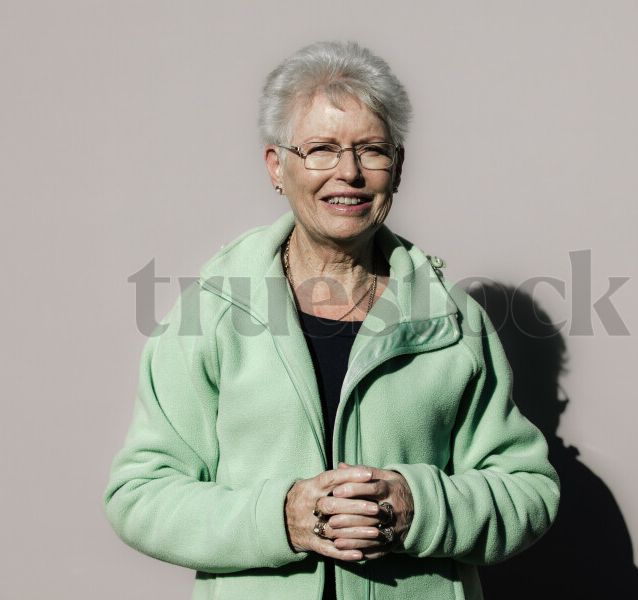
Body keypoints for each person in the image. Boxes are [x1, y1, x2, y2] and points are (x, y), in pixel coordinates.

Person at [103, 40, 559, 600]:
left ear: (399, 166)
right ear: (277, 166)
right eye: (321, 148)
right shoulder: (211, 313)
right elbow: (140, 495)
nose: (349, 173)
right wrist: (281, 517)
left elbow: (529, 492)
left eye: (371, 150)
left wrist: (418, 507)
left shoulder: (454, 323)